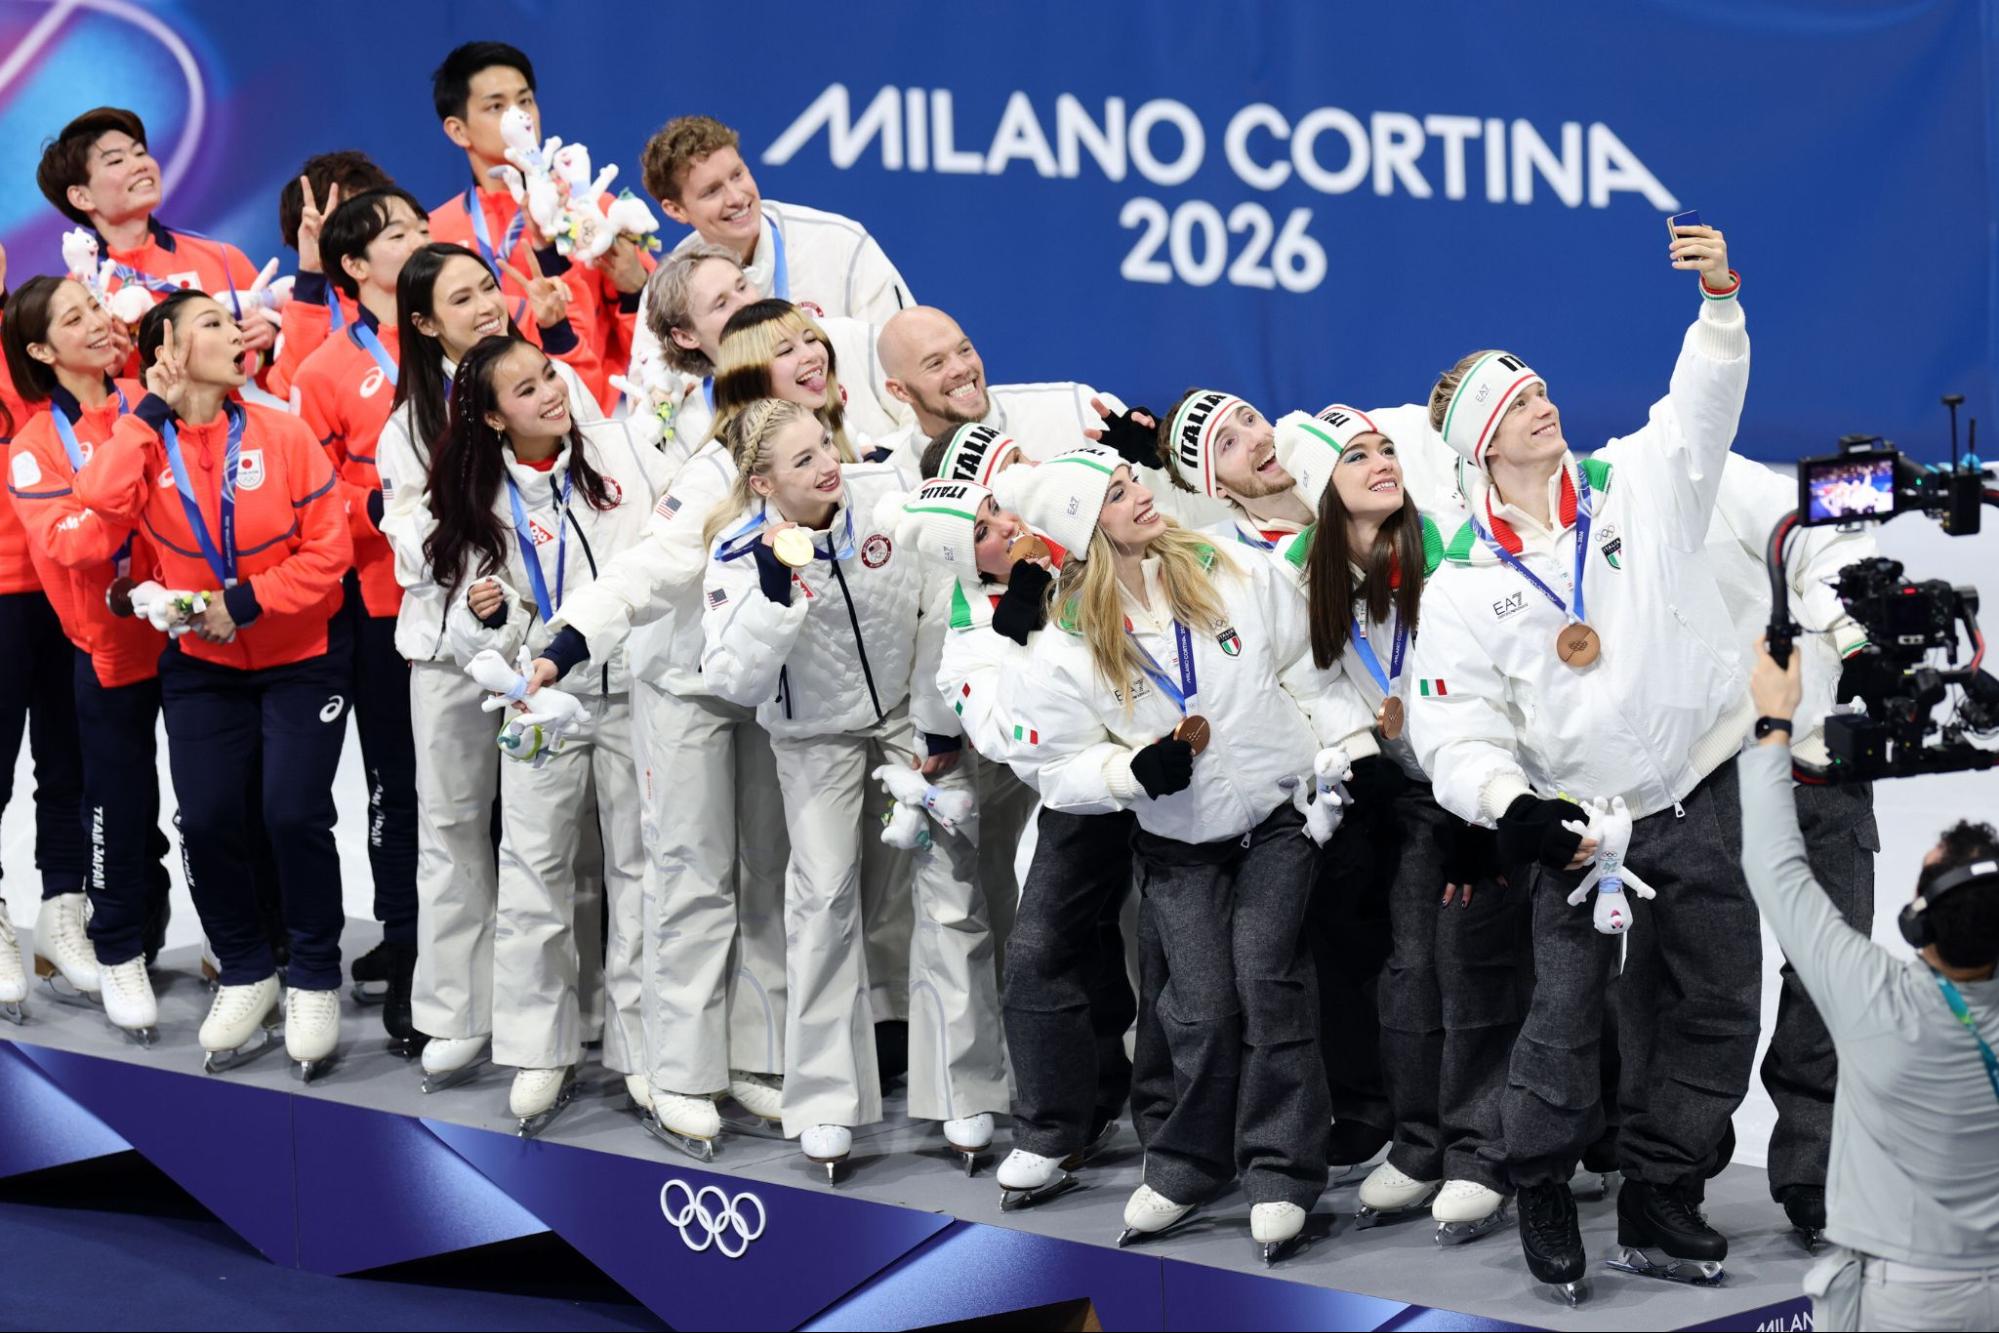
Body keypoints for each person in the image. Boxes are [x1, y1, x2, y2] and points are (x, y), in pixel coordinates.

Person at [1404, 224, 1754, 1298]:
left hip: (1689, 797)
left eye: (1541, 390)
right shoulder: (1460, 582)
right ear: (1479, 448)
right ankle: (1543, 1181)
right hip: (1579, 829)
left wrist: (1719, 306)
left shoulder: (1636, 485)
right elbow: (1452, 728)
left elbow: (1698, 412)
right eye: (1515, 406)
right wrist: (1513, 807)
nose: (1541, 407)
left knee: (1719, 1000)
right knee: (1560, 1022)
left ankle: (1659, 1187)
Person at [993, 446, 1344, 1263]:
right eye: (1115, 495)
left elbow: (1304, 667)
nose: (1140, 496)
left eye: (1133, 482)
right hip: (1180, 845)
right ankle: (1189, 1163)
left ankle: (1282, 1171)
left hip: (1278, 820)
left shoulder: (1226, 565)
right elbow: (1054, 769)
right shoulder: (1068, 641)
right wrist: (1127, 770)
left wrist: (1339, 754)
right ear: (1085, 532)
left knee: (1266, 975)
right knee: (1202, 1004)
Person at [695, 398, 1008, 1175]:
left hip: (910, 712)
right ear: (762, 481)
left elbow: (944, 598)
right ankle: (826, 1099)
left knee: (950, 894)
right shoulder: (739, 552)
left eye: (822, 446)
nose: (825, 465)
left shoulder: (887, 496)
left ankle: (963, 1087)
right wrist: (774, 589)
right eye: (800, 462)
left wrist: (937, 723)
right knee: (825, 901)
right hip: (814, 737)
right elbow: (734, 677)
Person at [72, 290, 353, 1078]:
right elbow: (97, 502)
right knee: (207, 818)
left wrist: (247, 603)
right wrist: (150, 410)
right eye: (213, 326)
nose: (237, 334)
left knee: (292, 812)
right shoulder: (147, 442)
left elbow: (327, 552)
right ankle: (245, 967)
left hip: (301, 656)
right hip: (202, 667)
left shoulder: (282, 431)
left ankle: (312, 973)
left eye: (235, 324)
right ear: (166, 349)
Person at [1279, 404, 1527, 1242]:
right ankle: (1422, 1143)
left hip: (1492, 788)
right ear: (1321, 484)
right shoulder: (1298, 570)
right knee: (1406, 972)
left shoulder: (1448, 542)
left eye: (1386, 449)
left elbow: (1502, 671)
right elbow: (1303, 677)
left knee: (1472, 963)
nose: (1383, 461)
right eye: (1356, 455)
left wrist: (1486, 801)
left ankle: (1483, 1150)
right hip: (1406, 792)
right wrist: (1357, 754)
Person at [375, 242, 602, 1090]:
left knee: (561, 840)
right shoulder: (407, 424)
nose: (485, 307)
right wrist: (468, 559)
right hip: (449, 657)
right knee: (455, 829)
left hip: (554, 655)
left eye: (487, 288)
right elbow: (408, 545)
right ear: (425, 322)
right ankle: (456, 1012)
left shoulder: (548, 388)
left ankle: (574, 1009)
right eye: (461, 299)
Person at [425, 334, 663, 1130]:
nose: (550, 393)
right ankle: (540, 1051)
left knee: (642, 872)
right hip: (540, 702)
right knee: (534, 877)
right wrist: (489, 621)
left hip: (632, 692)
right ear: (493, 417)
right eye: (525, 391)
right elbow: (467, 630)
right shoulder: (477, 498)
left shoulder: (620, 455)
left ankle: (645, 1052)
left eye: (550, 375)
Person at [1743, 637, 1999, 1331]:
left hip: (1907, 1297)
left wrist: (1771, 726)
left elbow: (1774, 864)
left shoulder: (1874, 1001)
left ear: (1918, 923)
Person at [898, 474, 1137, 1204]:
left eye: (995, 509)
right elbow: (1007, 738)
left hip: (1188, 779)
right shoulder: (968, 635)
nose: (1003, 526)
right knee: (1042, 952)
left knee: (1189, 954)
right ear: (963, 564)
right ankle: (1058, 1124)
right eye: (979, 531)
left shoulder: (1087, 538)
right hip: (1091, 793)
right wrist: (1024, 631)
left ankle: (1197, 1124)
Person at [288, 187, 436, 1051]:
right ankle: (410, 946)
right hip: (383, 607)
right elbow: (308, 498)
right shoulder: (323, 372)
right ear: (354, 266)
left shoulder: (469, 343)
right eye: (397, 234)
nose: (420, 241)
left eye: (423, 227)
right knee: (400, 786)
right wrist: (392, 500)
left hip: (489, 602)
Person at [2, 276, 158, 1028]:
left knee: (72, 767)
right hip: (29, 598)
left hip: (107, 608)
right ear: (41, 345)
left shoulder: (132, 395)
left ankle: (70, 913)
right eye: (76, 316)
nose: (93, 321)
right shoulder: (38, 428)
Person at [630, 115, 913, 396]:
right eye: (712, 191)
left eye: (738, 175)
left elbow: (908, 359)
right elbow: (650, 403)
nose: (737, 198)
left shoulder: (839, 243)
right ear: (675, 210)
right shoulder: (671, 291)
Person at [425, 42, 640, 408]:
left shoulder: (592, 212)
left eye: (525, 101)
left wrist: (638, 290)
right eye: (496, 106)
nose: (519, 116)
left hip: (590, 421)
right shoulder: (433, 234)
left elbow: (652, 339)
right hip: (481, 431)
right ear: (458, 131)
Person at [36, 108, 273, 378]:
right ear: (81, 197)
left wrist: (270, 344)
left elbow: (286, 377)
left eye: (140, 153)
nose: (141, 165)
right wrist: (104, 377)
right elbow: (75, 400)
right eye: (115, 161)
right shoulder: (76, 295)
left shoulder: (221, 258)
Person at [633, 245, 906, 460]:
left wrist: (882, 460)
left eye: (742, 286)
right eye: (721, 304)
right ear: (685, 336)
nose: (747, 302)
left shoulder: (841, 339)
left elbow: (924, 405)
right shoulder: (691, 428)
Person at [268, 150, 399, 398]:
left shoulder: (425, 280)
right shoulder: (309, 311)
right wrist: (312, 272)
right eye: (354, 217)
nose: (373, 225)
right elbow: (293, 389)